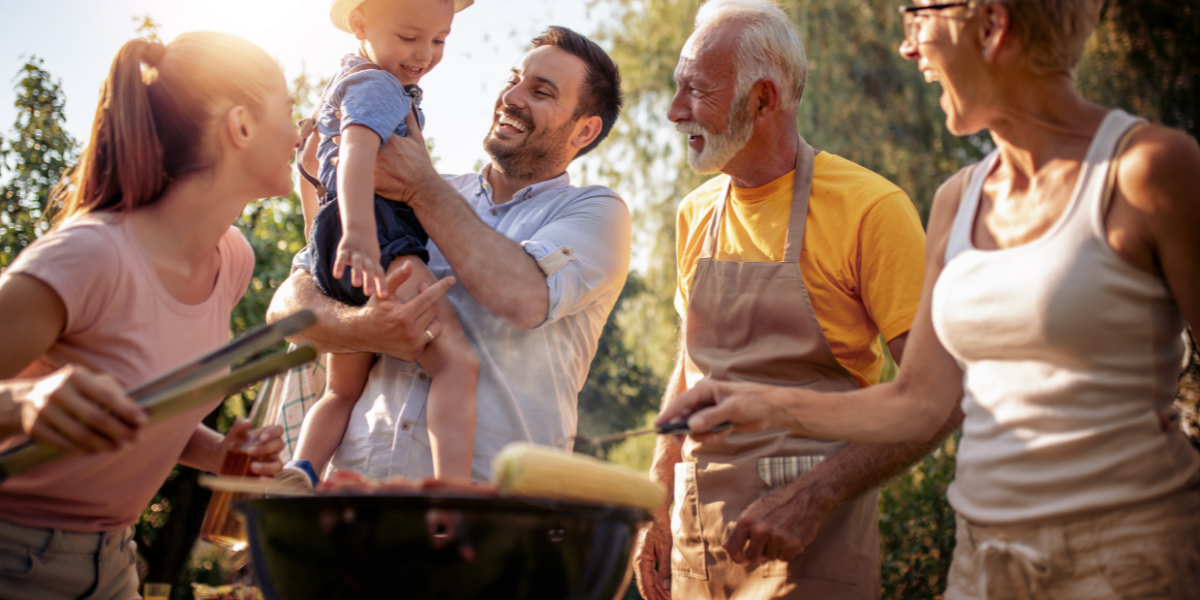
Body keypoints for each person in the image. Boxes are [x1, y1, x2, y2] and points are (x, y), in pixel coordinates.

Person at [660, 0, 1200, 597]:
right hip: (985, 555)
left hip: (1128, 552)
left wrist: (813, 486)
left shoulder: (1151, 170)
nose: (907, 47)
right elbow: (924, 398)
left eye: (921, 16)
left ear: (992, 26)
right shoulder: (958, 199)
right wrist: (755, 411)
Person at [632, 2, 963, 599]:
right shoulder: (695, 213)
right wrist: (658, 483)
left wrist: (815, 496)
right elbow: (690, 365)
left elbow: (939, 396)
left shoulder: (870, 208)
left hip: (808, 542)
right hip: (696, 539)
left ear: (762, 101)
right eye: (677, 87)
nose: (673, 110)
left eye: (696, 91)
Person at [267, 26, 630, 482]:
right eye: (514, 78)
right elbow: (287, 306)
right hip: (354, 499)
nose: (511, 97)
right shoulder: (422, 188)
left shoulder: (596, 212)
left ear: (585, 130)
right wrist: (363, 329)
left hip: (485, 521)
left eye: (541, 92)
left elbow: (522, 299)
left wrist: (423, 188)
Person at [0, 33, 292, 599]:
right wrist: (24, 403)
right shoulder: (89, 255)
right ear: (242, 126)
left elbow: (141, 404)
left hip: (112, 561)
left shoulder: (231, 259)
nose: (299, 130)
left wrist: (215, 451)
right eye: (288, 110)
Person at [281, 0, 479, 488]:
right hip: (375, 228)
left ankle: (302, 469)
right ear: (360, 25)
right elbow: (356, 154)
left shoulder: (344, 81)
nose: (424, 54)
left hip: (333, 241)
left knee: (341, 390)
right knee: (456, 362)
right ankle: (451, 489)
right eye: (409, 38)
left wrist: (328, 245)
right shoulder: (380, 84)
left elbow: (313, 168)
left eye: (439, 40)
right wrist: (361, 234)